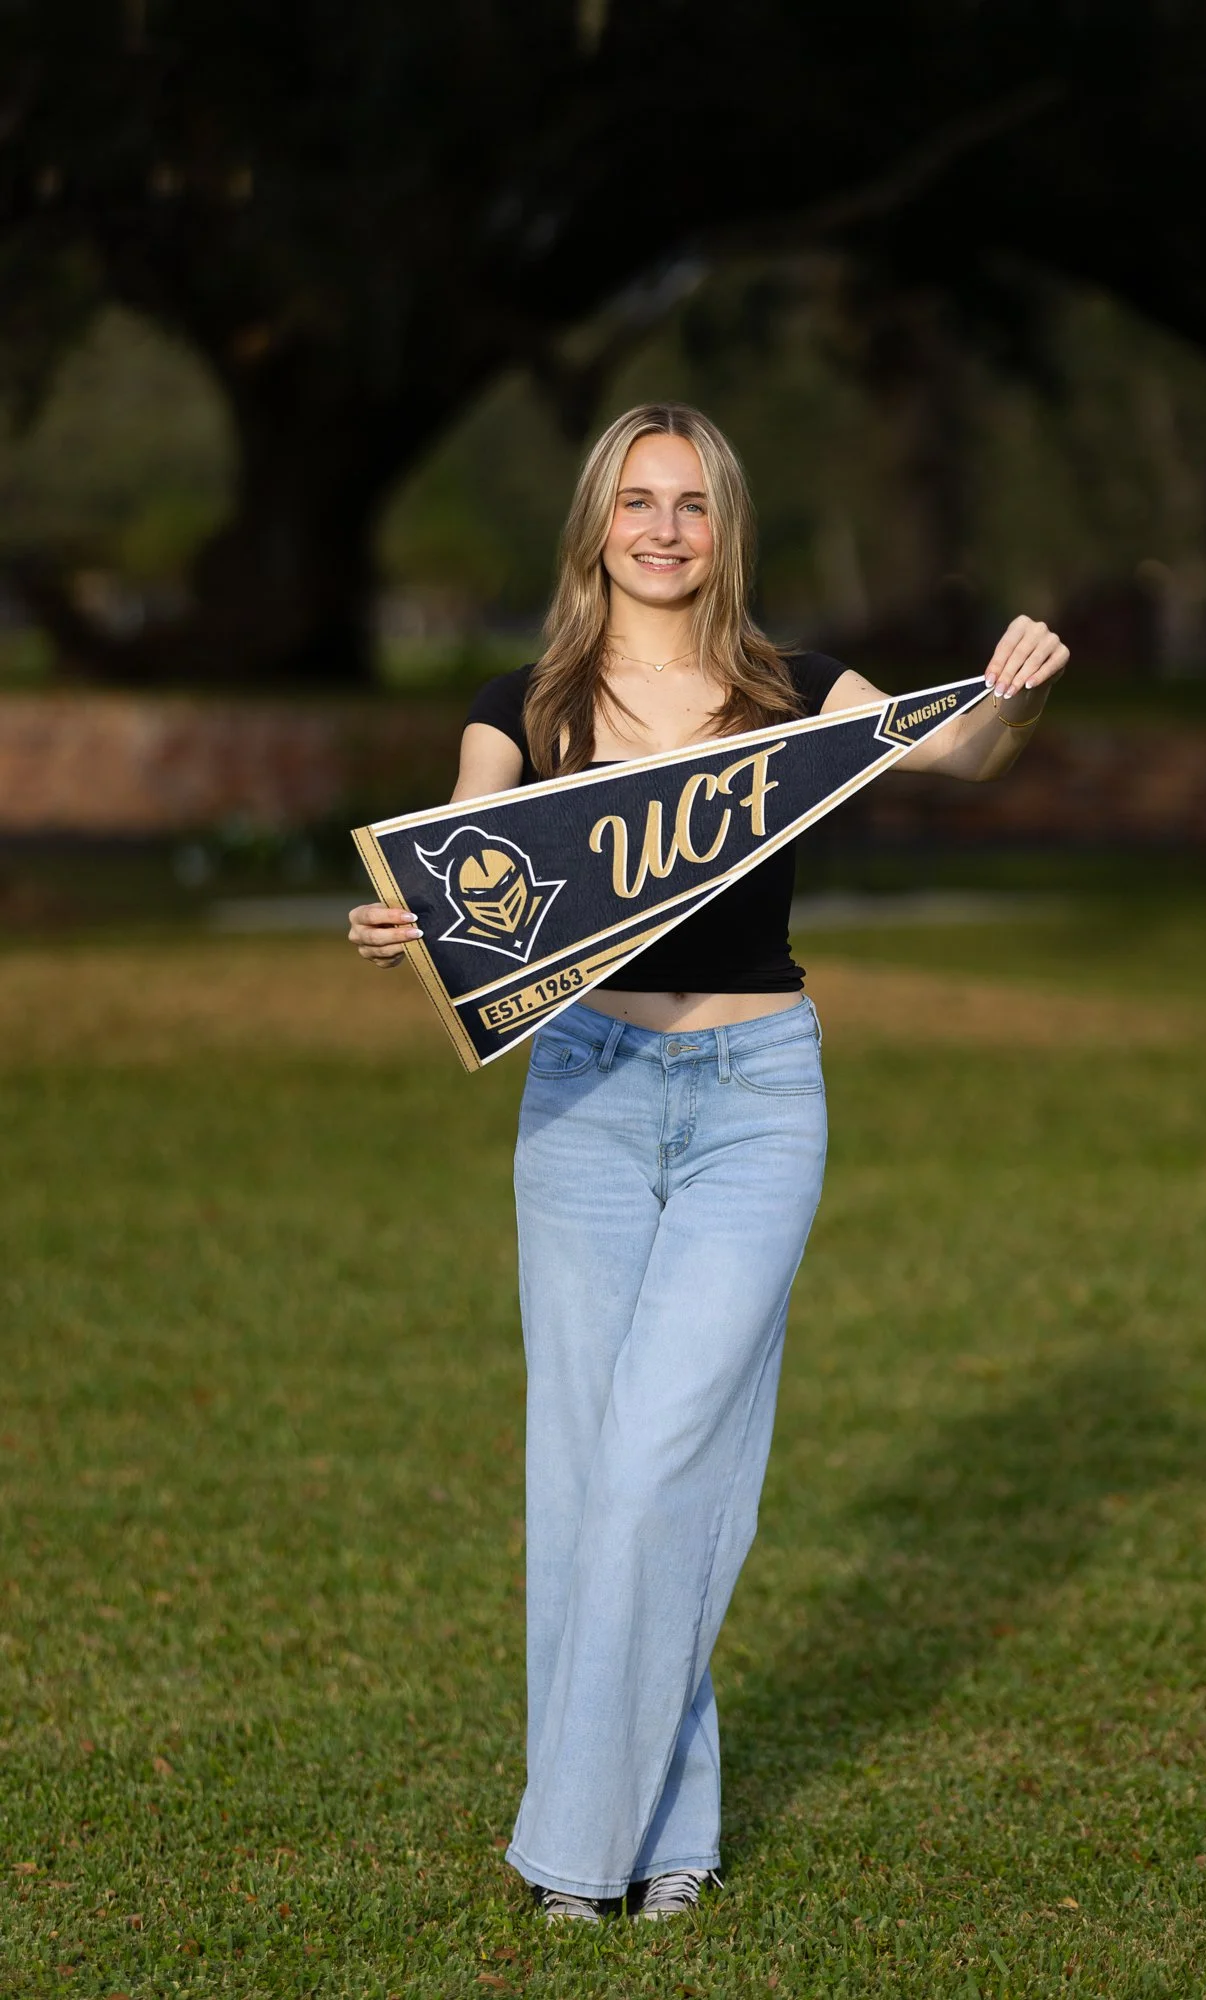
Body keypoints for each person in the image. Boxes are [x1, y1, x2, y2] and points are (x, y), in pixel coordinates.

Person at [348, 403, 1069, 1924]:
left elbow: (961, 751)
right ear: (593, 525)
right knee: (587, 1470)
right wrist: (406, 932)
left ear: (724, 528)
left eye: (690, 503)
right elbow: (464, 890)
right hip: (588, 1100)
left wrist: (1011, 693)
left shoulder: (795, 690)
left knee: (670, 1456)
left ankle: (575, 1849)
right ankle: (664, 1839)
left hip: (755, 1094)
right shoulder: (520, 705)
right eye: (636, 501)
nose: (663, 528)